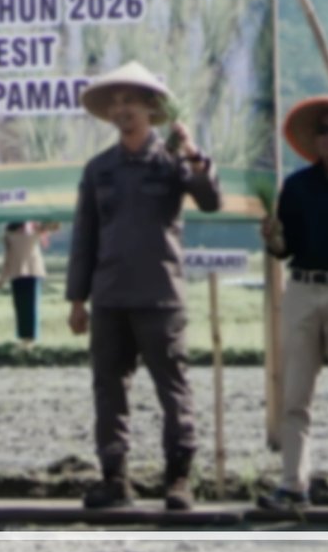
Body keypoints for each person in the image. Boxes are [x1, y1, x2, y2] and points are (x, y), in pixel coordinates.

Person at [65, 62, 221, 512]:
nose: (122, 108)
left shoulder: (173, 161)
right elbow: (84, 237)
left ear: (151, 108)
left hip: (160, 297)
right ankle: (115, 480)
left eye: (131, 100)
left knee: (173, 390)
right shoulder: (99, 169)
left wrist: (191, 150)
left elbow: (210, 200)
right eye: (115, 101)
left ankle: (178, 481)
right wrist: (78, 300)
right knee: (108, 390)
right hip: (110, 297)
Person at [257, 95, 328, 510]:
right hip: (302, 288)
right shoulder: (297, 185)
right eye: (324, 130)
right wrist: (273, 239)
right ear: (314, 138)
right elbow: (285, 248)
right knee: (295, 392)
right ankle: (293, 485)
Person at [0, 221, 50, 347]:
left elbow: (7, 258)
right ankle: (28, 338)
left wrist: (2, 278)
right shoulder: (28, 233)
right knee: (28, 307)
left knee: (23, 307)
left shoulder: (26, 233)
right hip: (26, 273)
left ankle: (27, 338)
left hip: (23, 272)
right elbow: (52, 226)